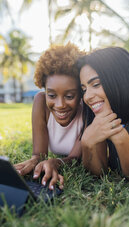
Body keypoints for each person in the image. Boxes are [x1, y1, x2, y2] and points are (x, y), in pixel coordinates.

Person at [14, 43, 85, 189]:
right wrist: (34, 161)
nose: (60, 105)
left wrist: (56, 162)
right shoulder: (40, 102)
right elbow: (39, 154)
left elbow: (75, 158)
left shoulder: (87, 109)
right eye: (51, 95)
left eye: (70, 96)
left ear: (81, 92)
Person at [77, 47, 129, 177]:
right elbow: (98, 173)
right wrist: (87, 142)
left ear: (121, 80)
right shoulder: (100, 112)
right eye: (84, 89)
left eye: (96, 84)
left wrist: (120, 137)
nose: (87, 97)